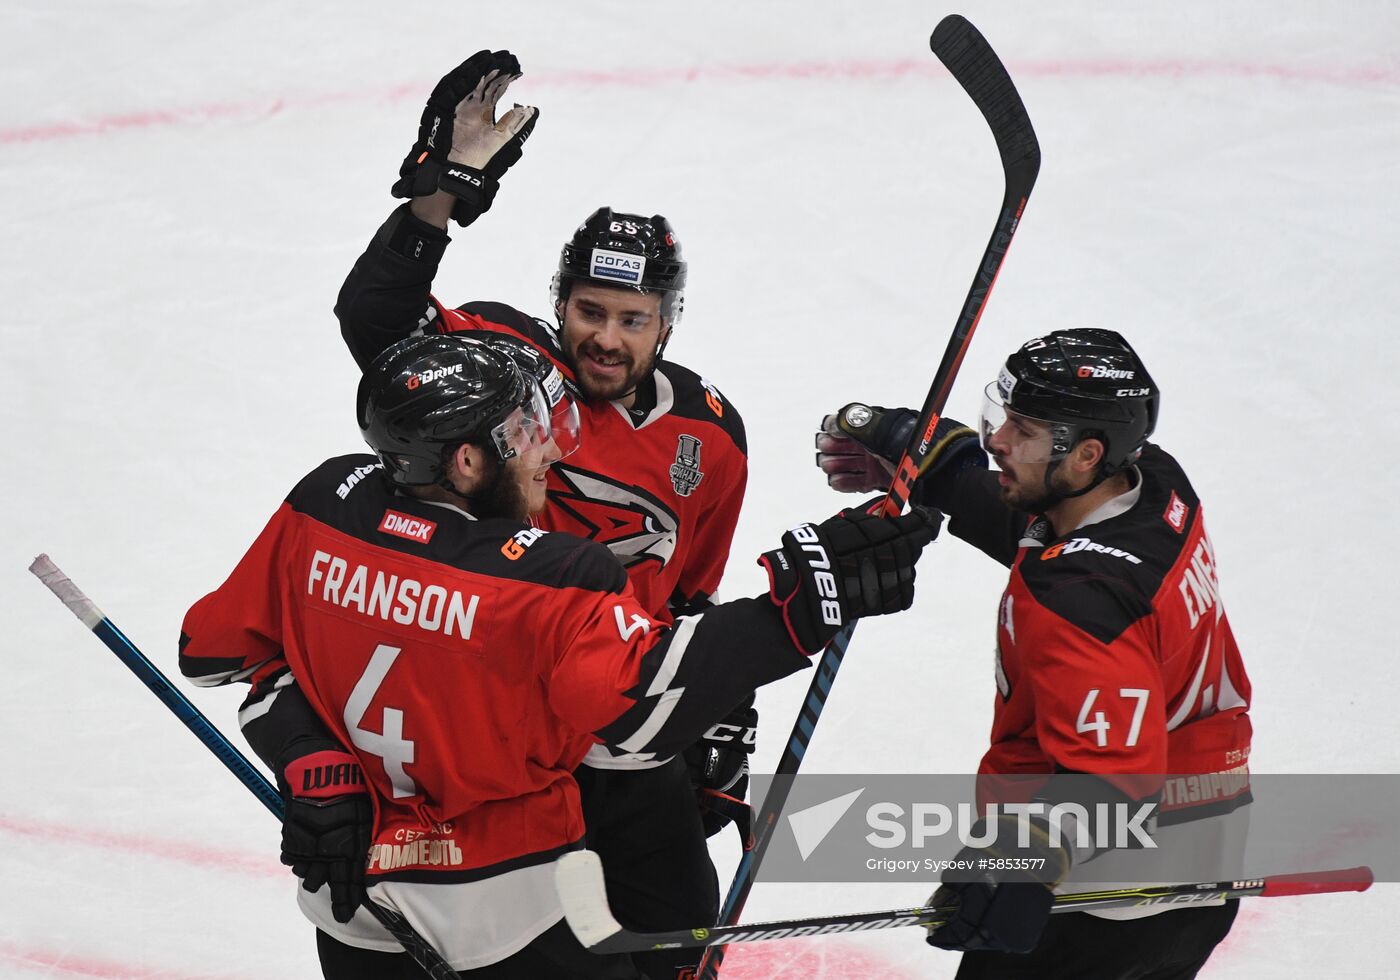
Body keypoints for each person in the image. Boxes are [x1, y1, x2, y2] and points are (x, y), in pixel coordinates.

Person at [180, 333, 936, 978]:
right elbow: (639, 713)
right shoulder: (544, 575)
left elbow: (216, 655)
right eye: (526, 430)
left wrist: (310, 757)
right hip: (515, 921)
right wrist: (800, 607)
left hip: (354, 916)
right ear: (469, 461)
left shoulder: (325, 504)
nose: (549, 448)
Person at [334, 49, 758, 976]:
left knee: (677, 945)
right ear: (558, 301)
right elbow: (374, 318)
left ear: (667, 323)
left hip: (616, 728)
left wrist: (718, 714)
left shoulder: (710, 439)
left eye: (632, 318)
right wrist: (441, 194)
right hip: (489, 726)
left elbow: (689, 595)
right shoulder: (503, 361)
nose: (605, 337)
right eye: (589, 308)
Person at [816, 328, 1252, 979]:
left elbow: (1114, 778)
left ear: (1086, 455)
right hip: (1199, 875)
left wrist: (1020, 862)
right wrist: (940, 468)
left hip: (1095, 913)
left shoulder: (1077, 604)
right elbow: (1043, 532)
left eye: (1022, 429)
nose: (997, 440)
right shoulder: (1155, 485)